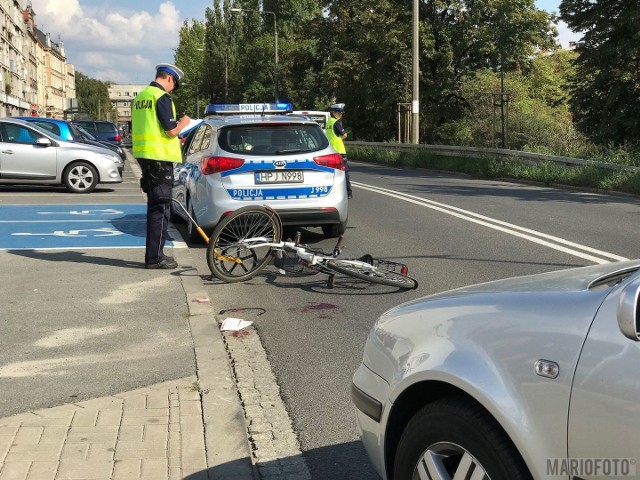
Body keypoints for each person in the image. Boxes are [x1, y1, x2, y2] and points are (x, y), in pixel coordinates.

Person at [132, 63, 191, 269]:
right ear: (170, 79)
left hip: (145, 156)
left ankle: (154, 254)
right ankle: (155, 257)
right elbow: (171, 131)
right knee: (161, 208)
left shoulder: (140, 97)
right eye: (173, 84)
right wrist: (184, 122)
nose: (172, 89)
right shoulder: (161, 97)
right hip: (159, 158)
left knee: (155, 206)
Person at [325, 103, 352, 198]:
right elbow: (344, 135)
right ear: (334, 112)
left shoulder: (328, 122)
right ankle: (348, 192)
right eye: (339, 112)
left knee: (332, 174)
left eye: (341, 112)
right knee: (345, 173)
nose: (341, 114)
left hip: (331, 152)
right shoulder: (336, 123)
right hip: (340, 152)